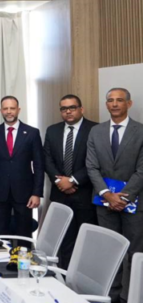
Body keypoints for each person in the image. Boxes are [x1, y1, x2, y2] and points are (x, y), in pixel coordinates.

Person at [87, 87, 143, 303]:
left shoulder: (141, 131)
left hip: (134, 204)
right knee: (109, 251)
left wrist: (123, 198)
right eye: (110, 100)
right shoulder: (96, 131)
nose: (115, 104)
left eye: (120, 100)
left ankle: (132, 302)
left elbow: (141, 170)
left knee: (133, 254)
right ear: (106, 104)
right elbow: (91, 167)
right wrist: (108, 195)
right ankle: (111, 299)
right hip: (104, 203)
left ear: (129, 104)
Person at [43, 94, 98, 269]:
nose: (68, 111)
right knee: (64, 240)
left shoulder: (95, 129)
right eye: (64, 108)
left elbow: (95, 161)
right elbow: (47, 160)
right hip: (60, 194)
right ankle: (65, 277)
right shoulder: (52, 130)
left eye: (72, 107)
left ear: (81, 109)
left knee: (85, 241)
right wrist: (60, 182)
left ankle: (83, 278)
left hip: (84, 195)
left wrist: (73, 180)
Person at [0, 96, 44, 245]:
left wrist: (37, 193)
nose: (9, 112)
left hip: (25, 193)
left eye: (12, 108)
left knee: (24, 234)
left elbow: (39, 165)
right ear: (1, 110)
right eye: (5, 108)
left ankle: (25, 260)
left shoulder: (32, 133)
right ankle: (0, 260)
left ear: (18, 110)